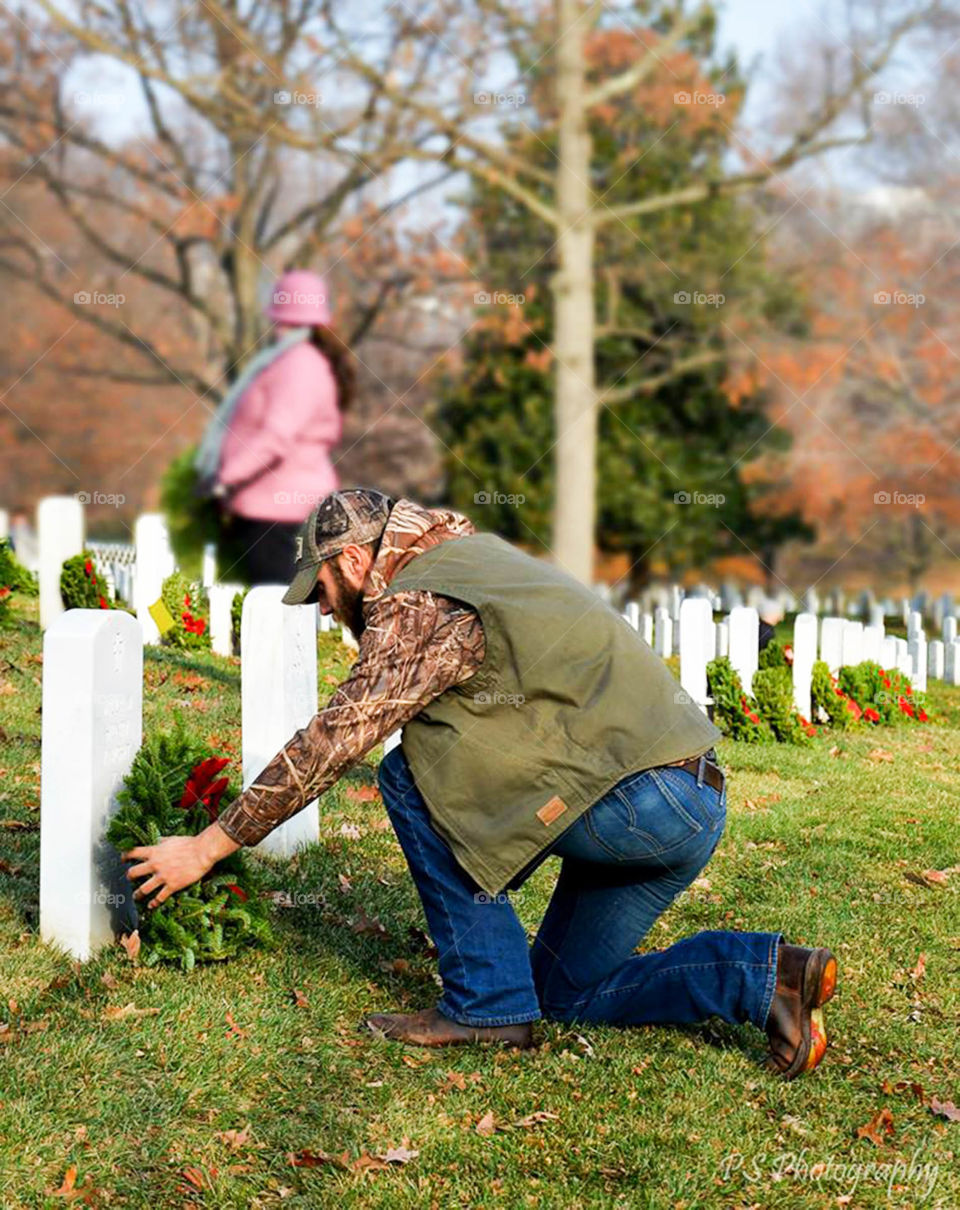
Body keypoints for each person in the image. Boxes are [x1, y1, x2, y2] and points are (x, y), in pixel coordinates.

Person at [123, 488, 838, 1080]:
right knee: (565, 992)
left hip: (637, 803)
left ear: (352, 560)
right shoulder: (477, 557)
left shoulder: (418, 600)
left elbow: (340, 736)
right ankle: (765, 975)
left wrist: (212, 845)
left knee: (406, 771)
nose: (322, 607)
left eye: (323, 588)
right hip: (692, 801)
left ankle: (485, 1004)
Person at [193, 269, 354, 584]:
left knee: (275, 614)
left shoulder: (299, 364)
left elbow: (275, 438)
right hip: (277, 508)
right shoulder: (297, 360)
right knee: (278, 614)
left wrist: (223, 479)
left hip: (278, 513)